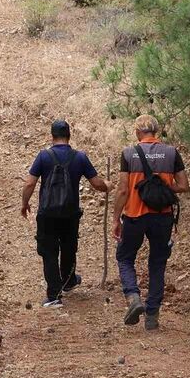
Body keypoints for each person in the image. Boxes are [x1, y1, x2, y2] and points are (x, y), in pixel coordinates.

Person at [112, 115, 190, 330]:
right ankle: (152, 317)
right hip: (162, 216)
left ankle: (133, 298)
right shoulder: (171, 152)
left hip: (134, 216)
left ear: (138, 132)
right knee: (157, 263)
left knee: (125, 257)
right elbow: (183, 185)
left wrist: (115, 219)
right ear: (156, 131)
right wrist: (164, 189)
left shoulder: (129, 154)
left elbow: (122, 190)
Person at [21, 120, 112, 308]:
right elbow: (96, 184)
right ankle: (69, 281)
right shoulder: (80, 157)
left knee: (49, 251)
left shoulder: (43, 156)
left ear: (52, 136)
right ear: (69, 135)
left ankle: (54, 295)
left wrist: (25, 203)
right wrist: (107, 186)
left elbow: (29, 183)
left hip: (47, 213)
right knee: (69, 246)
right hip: (70, 213)